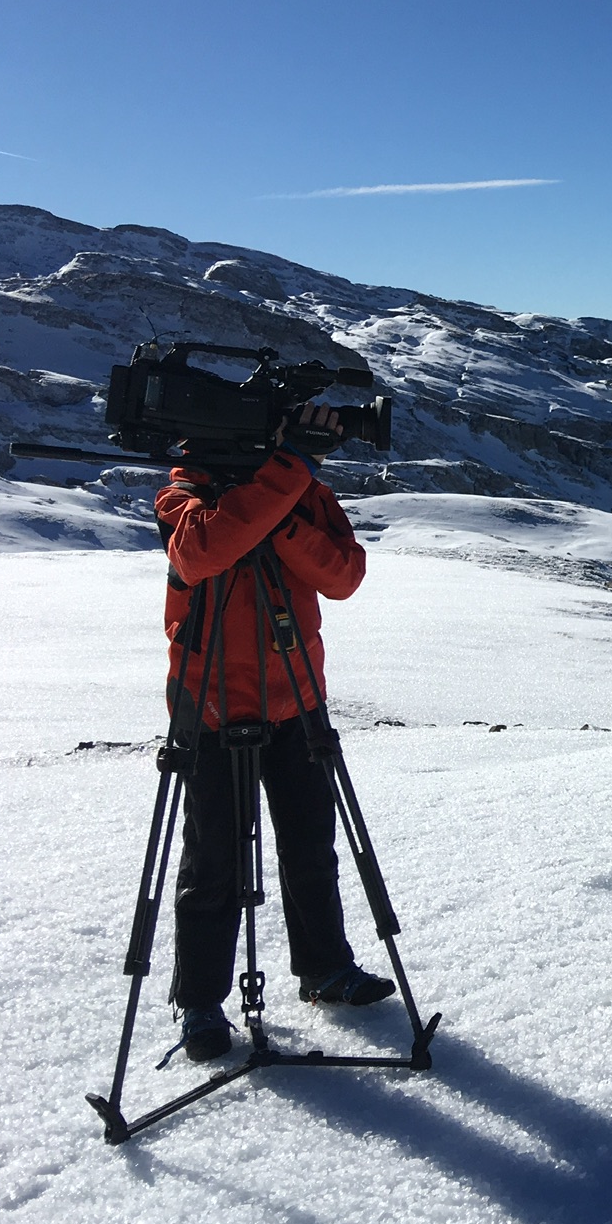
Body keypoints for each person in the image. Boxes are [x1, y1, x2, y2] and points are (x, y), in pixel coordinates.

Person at [157, 403, 396, 1062]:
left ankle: (324, 969)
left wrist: (278, 511)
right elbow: (202, 553)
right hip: (209, 705)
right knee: (213, 864)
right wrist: (284, 478)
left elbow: (343, 577)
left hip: (295, 700)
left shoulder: (303, 495)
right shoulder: (185, 495)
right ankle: (200, 1001)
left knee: (311, 846)